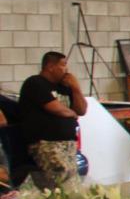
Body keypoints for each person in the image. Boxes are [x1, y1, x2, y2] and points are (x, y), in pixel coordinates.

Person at [19, 51, 88, 189]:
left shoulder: (65, 87)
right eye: (63, 65)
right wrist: (71, 113)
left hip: (68, 144)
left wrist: (76, 88)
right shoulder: (35, 83)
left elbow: (82, 110)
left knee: (73, 183)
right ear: (50, 66)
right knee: (62, 181)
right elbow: (55, 108)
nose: (66, 69)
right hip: (47, 143)